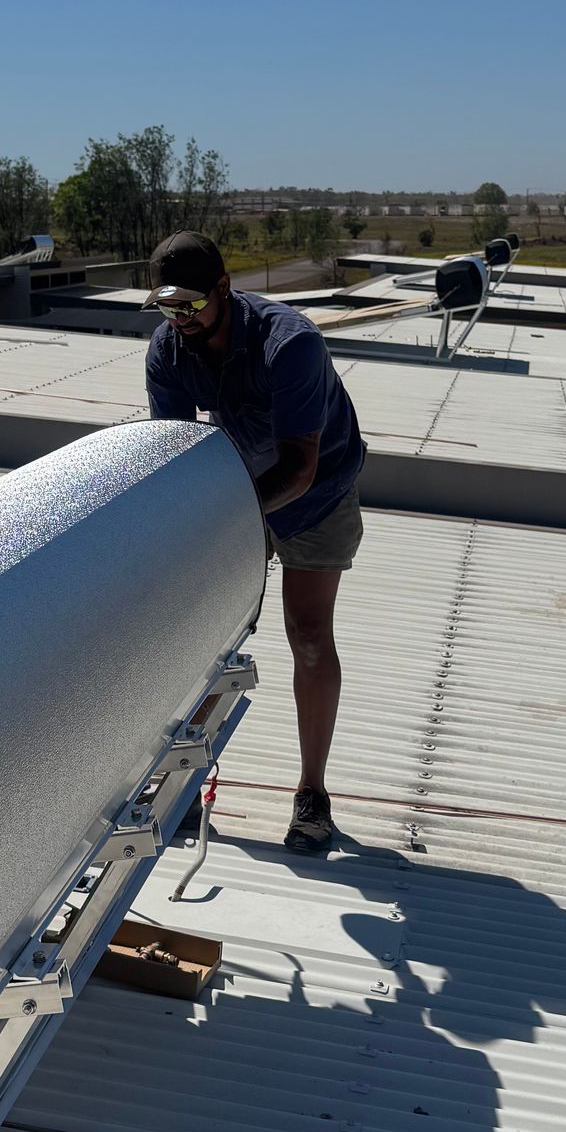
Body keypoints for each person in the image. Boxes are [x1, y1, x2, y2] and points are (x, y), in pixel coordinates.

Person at [144, 230, 366, 852]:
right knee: (203, 635)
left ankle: (312, 794)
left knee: (310, 636)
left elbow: (299, 467)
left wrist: (225, 520)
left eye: (189, 304)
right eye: (164, 306)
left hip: (317, 491)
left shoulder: (289, 345)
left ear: (224, 288)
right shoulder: (168, 348)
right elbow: (173, 455)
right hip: (240, 489)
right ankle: (180, 786)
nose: (177, 320)